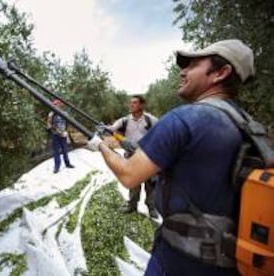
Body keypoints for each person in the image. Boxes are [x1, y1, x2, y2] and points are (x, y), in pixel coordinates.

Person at [87, 39, 255, 275]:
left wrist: (101, 147)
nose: (182, 71)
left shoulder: (183, 119)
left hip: (180, 261)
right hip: (231, 261)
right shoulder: (248, 125)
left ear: (220, 72)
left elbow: (128, 175)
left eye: (193, 65)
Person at [108, 95, 159, 218]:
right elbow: (112, 129)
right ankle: (132, 205)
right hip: (131, 157)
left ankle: (151, 207)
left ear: (141, 105)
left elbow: (161, 132)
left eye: (134, 103)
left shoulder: (150, 119)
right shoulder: (124, 120)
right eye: (130, 103)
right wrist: (110, 131)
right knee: (134, 183)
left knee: (150, 184)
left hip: (147, 157)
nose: (131, 105)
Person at [47, 99, 75, 173]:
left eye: (57, 104)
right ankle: (57, 167)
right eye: (55, 104)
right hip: (55, 135)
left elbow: (68, 123)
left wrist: (66, 131)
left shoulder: (64, 113)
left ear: (60, 105)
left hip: (64, 135)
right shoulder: (51, 114)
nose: (56, 106)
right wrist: (53, 129)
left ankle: (67, 164)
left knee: (65, 150)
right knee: (56, 151)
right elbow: (49, 124)